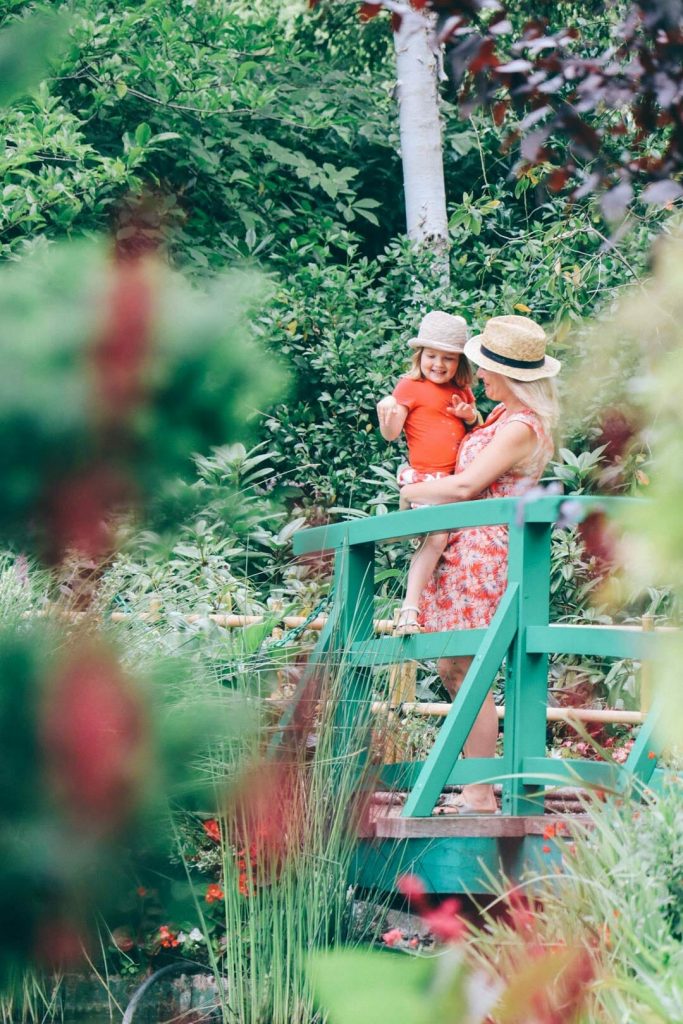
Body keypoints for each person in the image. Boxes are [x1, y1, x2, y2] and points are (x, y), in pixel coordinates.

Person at [400, 314, 561, 814]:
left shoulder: (520, 427)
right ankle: (477, 786)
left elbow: (469, 486)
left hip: (488, 552)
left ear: (512, 375)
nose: (480, 375)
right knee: (455, 665)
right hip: (463, 549)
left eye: (487, 368)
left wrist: (412, 490)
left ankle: (478, 792)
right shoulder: (495, 418)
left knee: (470, 667)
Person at [376, 311, 480, 635]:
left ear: (459, 363)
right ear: (419, 356)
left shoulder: (461, 390)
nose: (439, 364)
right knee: (436, 539)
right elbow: (391, 434)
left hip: (456, 482)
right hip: (425, 479)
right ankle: (409, 609)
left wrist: (471, 416)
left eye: (448, 358)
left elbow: (477, 428)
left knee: (454, 546)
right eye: (432, 356)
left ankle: (447, 615)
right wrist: (387, 415)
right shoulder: (410, 386)